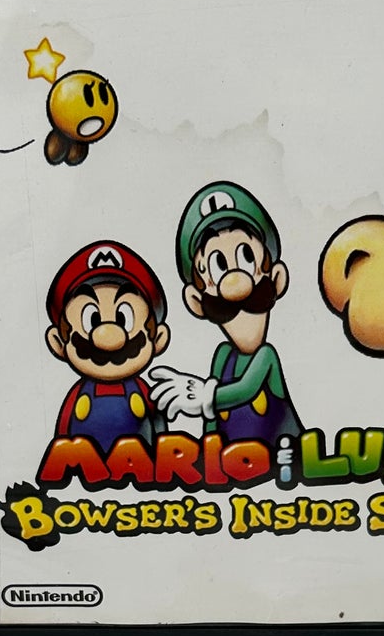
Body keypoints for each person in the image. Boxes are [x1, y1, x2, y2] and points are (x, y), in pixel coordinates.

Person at [150, 182, 302, 454]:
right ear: (197, 301)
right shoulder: (223, 356)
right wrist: (207, 454)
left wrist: (204, 396)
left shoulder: (265, 356)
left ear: (276, 279)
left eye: (246, 258)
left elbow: (245, 390)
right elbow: (212, 420)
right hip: (231, 467)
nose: (235, 284)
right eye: (218, 266)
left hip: (286, 462)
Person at [42, 240, 171, 457]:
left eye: (123, 318)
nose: (108, 337)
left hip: (142, 473)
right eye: (92, 319)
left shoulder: (143, 392)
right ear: (58, 342)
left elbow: (162, 436)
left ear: (157, 337)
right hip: (85, 473)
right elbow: (61, 439)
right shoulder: (77, 396)